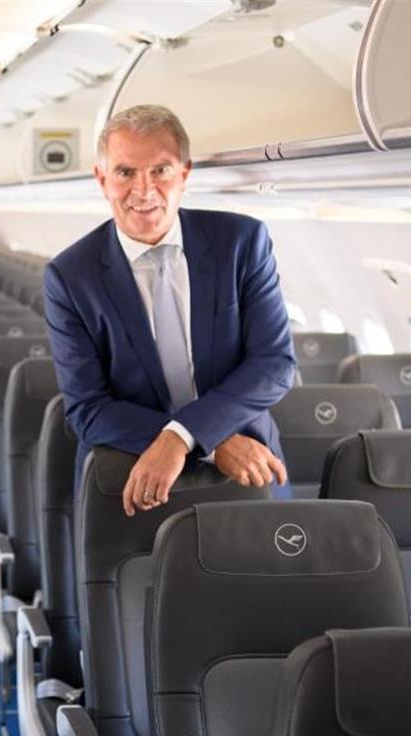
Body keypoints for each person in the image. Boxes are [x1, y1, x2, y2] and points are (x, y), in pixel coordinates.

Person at [42, 104, 295, 516]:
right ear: (102, 179)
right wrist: (210, 442)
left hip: (248, 468)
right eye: (125, 172)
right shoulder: (71, 276)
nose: (144, 190)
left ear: (184, 174)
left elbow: (274, 363)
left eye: (160, 170)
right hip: (133, 479)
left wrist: (184, 436)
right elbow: (88, 408)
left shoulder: (241, 243)